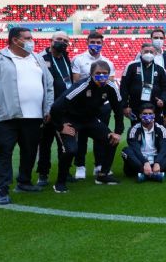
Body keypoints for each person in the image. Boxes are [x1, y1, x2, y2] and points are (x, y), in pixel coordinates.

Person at [0, 27, 54, 204]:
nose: (31, 41)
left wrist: (47, 109)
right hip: (5, 117)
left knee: (30, 151)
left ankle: (24, 182)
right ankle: (2, 189)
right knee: (3, 152)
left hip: (34, 117)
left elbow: (49, 85)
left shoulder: (37, 59)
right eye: (27, 38)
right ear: (14, 40)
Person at [50, 60, 122, 192]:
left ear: (109, 74)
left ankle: (103, 175)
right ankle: (60, 182)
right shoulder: (81, 86)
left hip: (90, 120)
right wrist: (61, 127)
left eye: (105, 73)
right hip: (70, 120)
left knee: (112, 140)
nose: (101, 76)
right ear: (91, 74)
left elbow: (118, 110)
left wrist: (117, 131)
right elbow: (56, 107)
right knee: (71, 150)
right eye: (98, 73)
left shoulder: (111, 88)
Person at [69, 31, 116, 181]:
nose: (95, 45)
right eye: (93, 42)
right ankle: (80, 166)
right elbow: (75, 83)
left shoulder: (108, 62)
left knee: (101, 135)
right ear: (87, 42)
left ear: (102, 44)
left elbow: (110, 84)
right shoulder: (78, 59)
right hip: (83, 105)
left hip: (102, 105)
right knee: (81, 136)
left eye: (98, 42)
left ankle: (99, 165)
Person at [35, 31, 72, 187]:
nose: (62, 42)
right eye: (59, 39)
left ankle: (65, 172)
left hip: (66, 109)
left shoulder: (66, 58)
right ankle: (43, 174)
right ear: (51, 40)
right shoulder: (40, 58)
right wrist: (46, 109)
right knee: (45, 143)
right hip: (48, 109)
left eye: (65, 41)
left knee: (65, 142)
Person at [121, 103, 166, 182]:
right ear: (140, 115)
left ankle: (146, 174)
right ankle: (153, 174)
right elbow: (135, 149)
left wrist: (157, 162)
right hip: (140, 160)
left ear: (154, 115)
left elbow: (163, 148)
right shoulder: (133, 129)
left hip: (156, 160)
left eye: (150, 114)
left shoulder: (161, 128)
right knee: (126, 150)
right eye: (145, 114)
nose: (147, 116)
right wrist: (145, 162)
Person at [121, 43, 166, 124]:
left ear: (155, 53)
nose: (149, 54)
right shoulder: (131, 66)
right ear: (141, 52)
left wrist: (162, 99)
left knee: (156, 131)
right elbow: (124, 87)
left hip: (155, 107)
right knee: (137, 131)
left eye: (151, 52)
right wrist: (125, 106)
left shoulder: (160, 69)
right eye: (146, 51)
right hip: (136, 107)